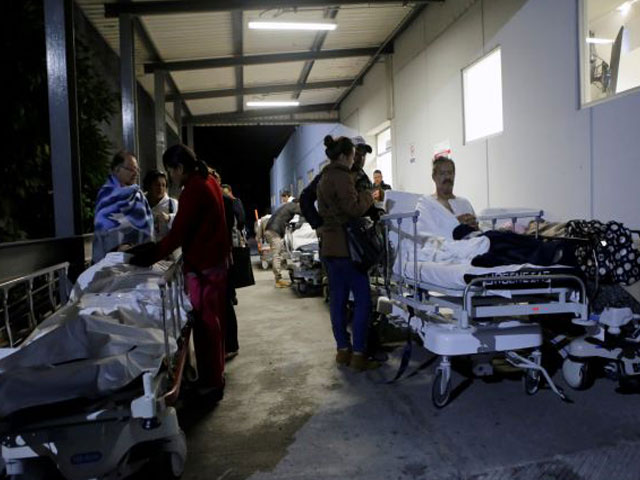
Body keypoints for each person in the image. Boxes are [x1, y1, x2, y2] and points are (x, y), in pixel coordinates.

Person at [130, 144, 230, 398]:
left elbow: (178, 234)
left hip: (204, 268)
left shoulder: (193, 190)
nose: (170, 178)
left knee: (206, 326)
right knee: (213, 323)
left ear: (180, 168)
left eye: (171, 172)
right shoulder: (209, 181)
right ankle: (215, 376)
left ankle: (211, 383)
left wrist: (150, 255)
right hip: (214, 263)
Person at [316, 135, 378, 372]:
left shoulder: (324, 176)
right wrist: (368, 197)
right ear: (344, 155)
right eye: (353, 154)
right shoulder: (342, 176)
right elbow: (352, 209)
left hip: (330, 247)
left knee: (338, 301)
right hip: (347, 248)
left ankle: (343, 349)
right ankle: (359, 353)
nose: (355, 159)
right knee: (363, 300)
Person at [92, 151, 153, 263]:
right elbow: (103, 229)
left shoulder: (138, 195)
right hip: (112, 260)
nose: (135, 173)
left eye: (137, 169)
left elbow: (146, 226)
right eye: (131, 169)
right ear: (116, 169)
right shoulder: (106, 196)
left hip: (140, 257)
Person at [264, 194, 301, 288]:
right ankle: (278, 280)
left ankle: (279, 278)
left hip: (271, 230)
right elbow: (304, 213)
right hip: (274, 231)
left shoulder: (286, 205)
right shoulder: (293, 206)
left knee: (280, 253)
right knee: (277, 255)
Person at [143, 169, 178, 241]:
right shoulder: (140, 202)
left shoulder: (172, 204)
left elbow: (182, 224)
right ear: (149, 185)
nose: (160, 188)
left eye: (163, 185)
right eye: (157, 185)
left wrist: (169, 218)